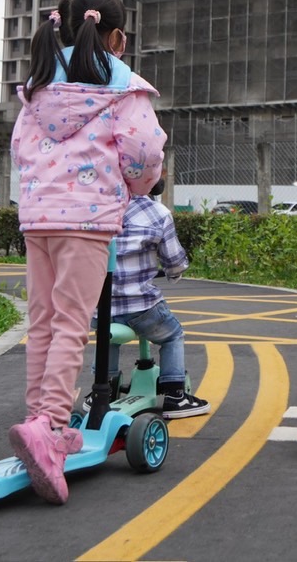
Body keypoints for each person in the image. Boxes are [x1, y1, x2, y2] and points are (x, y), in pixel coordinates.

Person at [9, 0, 165, 504]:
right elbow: (143, 151)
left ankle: (38, 417)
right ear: (116, 36)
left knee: (43, 322)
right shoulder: (122, 85)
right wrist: (138, 184)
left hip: (38, 218)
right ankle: (51, 429)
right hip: (88, 218)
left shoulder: (38, 82)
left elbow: (19, 149)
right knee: (73, 324)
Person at [101, 178, 209, 417]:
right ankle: (175, 395)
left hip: (101, 308)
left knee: (107, 337)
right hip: (141, 308)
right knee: (172, 335)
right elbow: (174, 260)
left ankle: (103, 390)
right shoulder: (157, 212)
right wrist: (174, 273)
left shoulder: (96, 207)